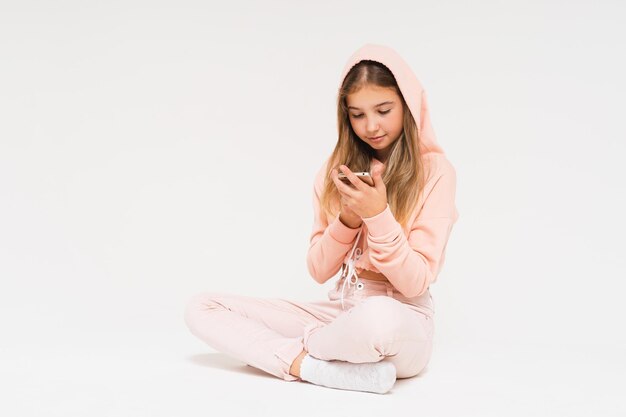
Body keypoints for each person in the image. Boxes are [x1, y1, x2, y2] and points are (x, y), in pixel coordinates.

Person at [183, 43, 459, 394]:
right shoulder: (334, 172)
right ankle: (311, 366)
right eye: (357, 114)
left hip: (402, 321)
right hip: (338, 314)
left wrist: (377, 215)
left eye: (384, 110)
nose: (371, 126)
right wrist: (346, 220)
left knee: (378, 318)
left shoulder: (437, 172)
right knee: (203, 307)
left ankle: (298, 351)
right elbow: (318, 270)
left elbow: (414, 282)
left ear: (408, 105)